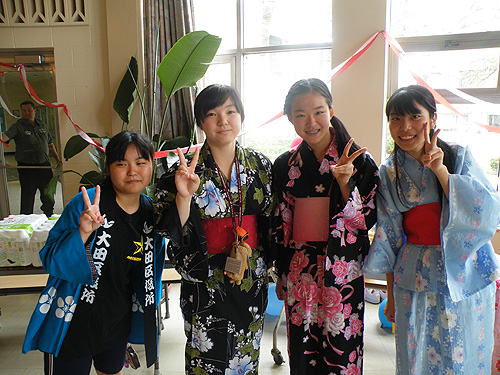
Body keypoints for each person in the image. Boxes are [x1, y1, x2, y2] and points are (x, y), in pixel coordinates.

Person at [363, 85, 500, 374]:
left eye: (415, 116)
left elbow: (486, 210)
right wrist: (389, 293)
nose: (405, 127)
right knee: (416, 358)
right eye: (396, 118)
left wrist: (441, 171)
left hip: (464, 274)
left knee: (465, 356)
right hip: (414, 276)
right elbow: (388, 236)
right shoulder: (388, 172)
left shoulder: (458, 155)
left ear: (433, 119)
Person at [22, 131, 166, 375]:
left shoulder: (150, 212)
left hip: (116, 320)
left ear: (152, 165)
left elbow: (149, 269)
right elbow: (50, 259)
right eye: (122, 164)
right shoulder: (86, 204)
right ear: (108, 167)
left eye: (141, 163)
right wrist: (82, 232)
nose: (133, 171)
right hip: (73, 317)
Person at [154, 84, 274, 374]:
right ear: (200, 123)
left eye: (231, 111)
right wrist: (184, 195)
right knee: (205, 358)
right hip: (204, 282)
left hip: (248, 277)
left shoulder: (260, 166)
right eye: (212, 113)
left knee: (245, 356)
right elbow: (171, 231)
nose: (223, 120)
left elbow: (272, 222)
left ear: (241, 116)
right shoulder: (181, 174)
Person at [272, 78, 378, 374]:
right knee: (303, 351)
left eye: (319, 111)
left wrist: (345, 184)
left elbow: (368, 217)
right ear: (289, 117)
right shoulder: (284, 165)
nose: (311, 121)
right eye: (300, 114)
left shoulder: (359, 160)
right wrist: (281, 271)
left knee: (342, 352)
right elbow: (280, 222)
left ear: (331, 110)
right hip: (299, 271)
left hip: (341, 272)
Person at [1, 100, 61, 217]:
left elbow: (50, 145)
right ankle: (25, 220)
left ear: (34, 111)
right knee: (27, 198)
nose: (27, 113)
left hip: (44, 167)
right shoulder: (17, 127)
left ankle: (49, 216)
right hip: (27, 169)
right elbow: (4, 138)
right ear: (21, 112)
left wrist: (57, 159)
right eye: (24, 111)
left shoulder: (42, 126)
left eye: (29, 110)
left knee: (48, 196)